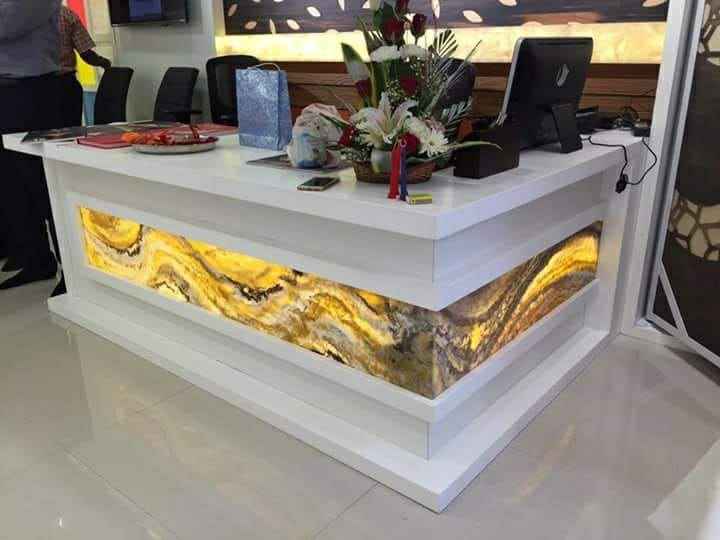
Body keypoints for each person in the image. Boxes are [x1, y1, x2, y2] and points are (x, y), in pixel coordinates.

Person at [0, 0, 63, 290]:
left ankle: (70, 270)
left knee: (43, 182)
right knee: (13, 185)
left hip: (31, 92)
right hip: (8, 93)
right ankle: (35, 258)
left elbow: (7, 22)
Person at [59, 5, 111, 128]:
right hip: (64, 85)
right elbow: (86, 53)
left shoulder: (18, 16)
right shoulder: (66, 14)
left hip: (27, 87)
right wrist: (105, 63)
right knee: (70, 131)